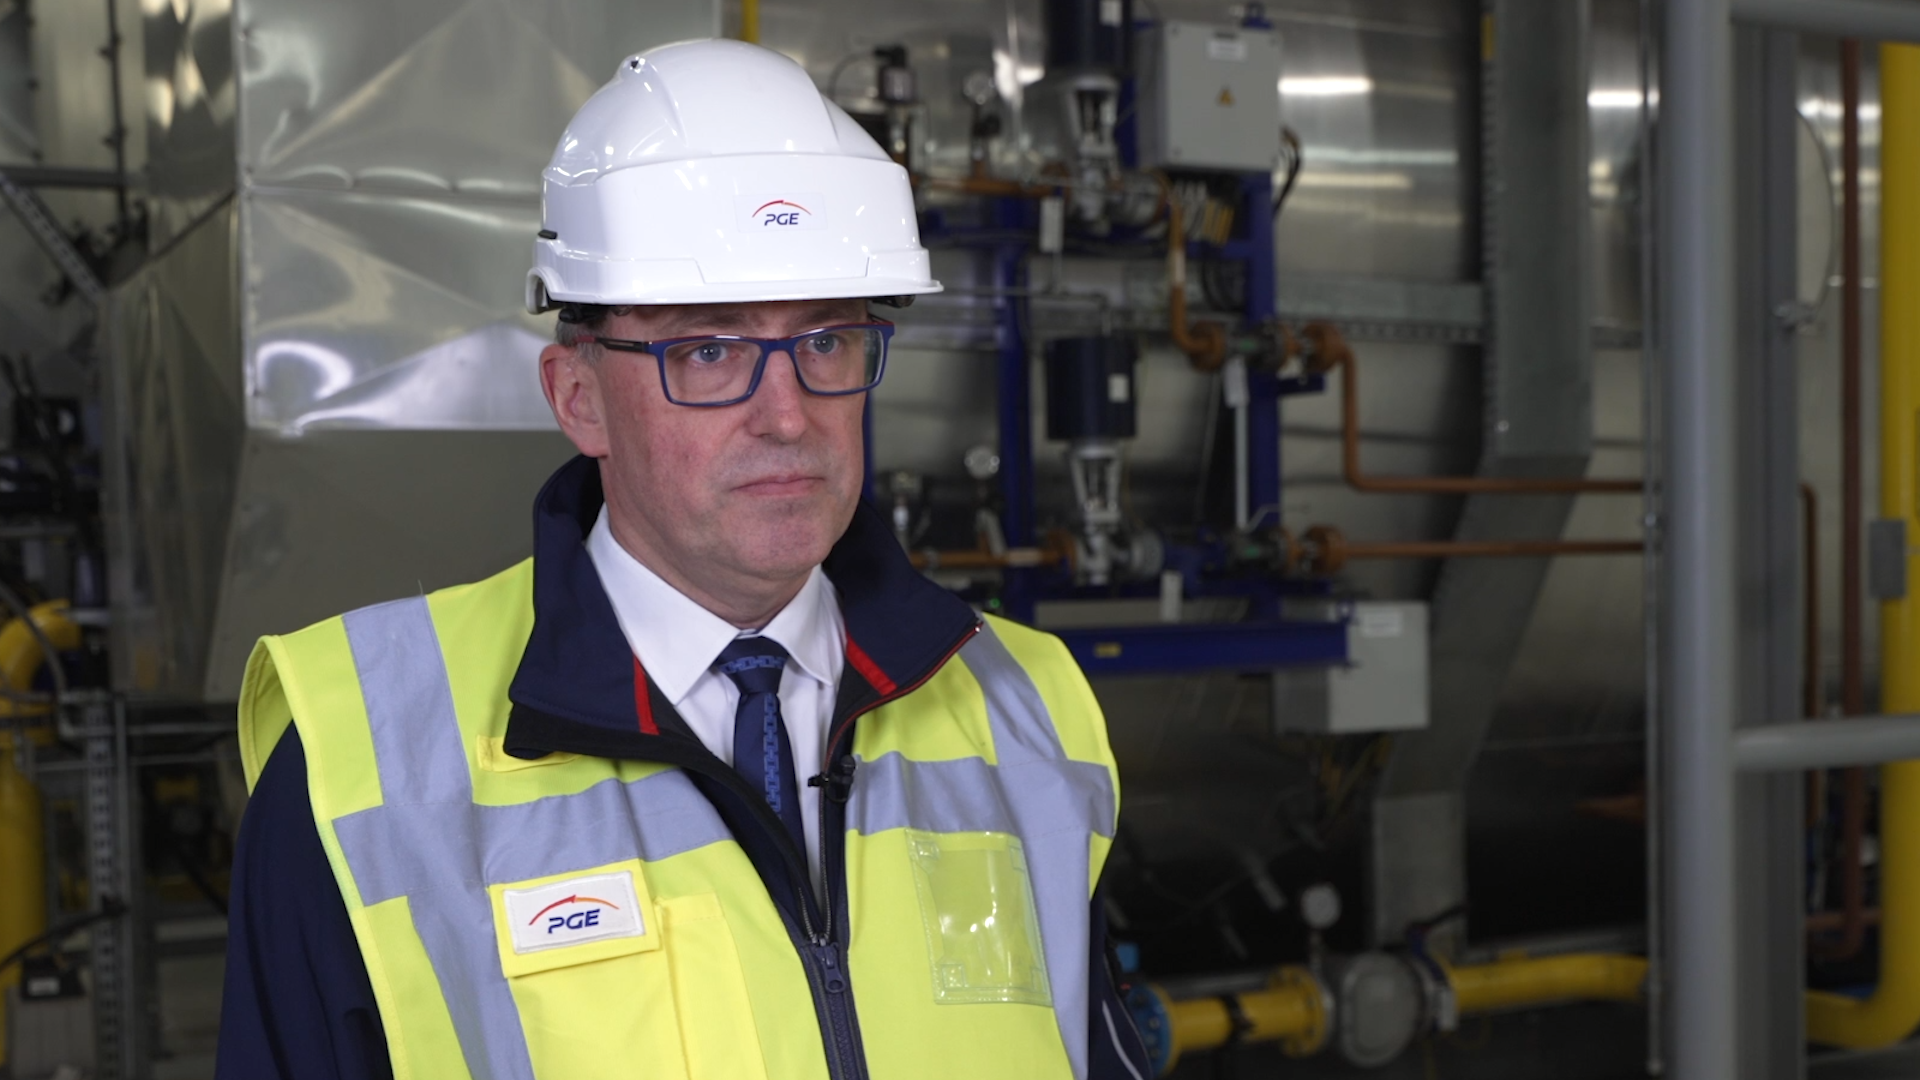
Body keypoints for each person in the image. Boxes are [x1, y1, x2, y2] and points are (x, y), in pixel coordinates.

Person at [215, 37, 1150, 1080]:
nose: (787, 416)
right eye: (709, 349)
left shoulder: (1025, 705)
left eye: (825, 342)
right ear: (578, 398)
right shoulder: (366, 763)